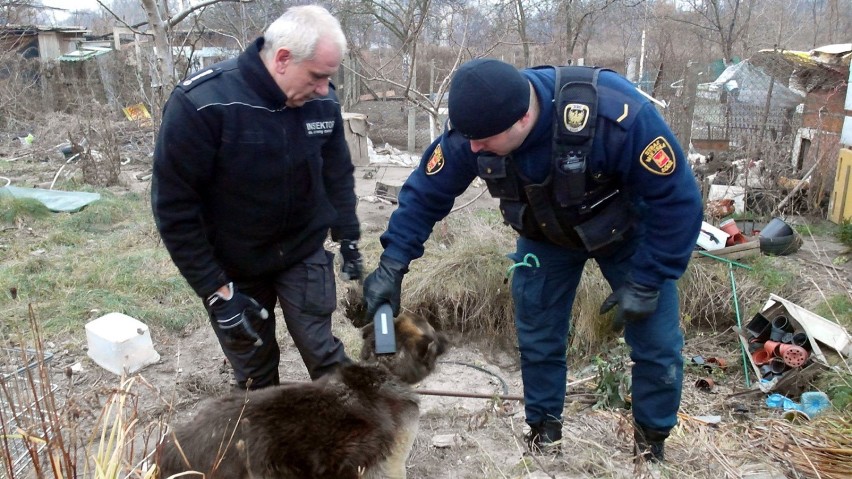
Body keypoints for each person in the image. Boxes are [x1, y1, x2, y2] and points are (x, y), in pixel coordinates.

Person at [362, 59, 702, 461]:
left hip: (628, 236)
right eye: (469, 140)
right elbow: (424, 195)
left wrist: (649, 278)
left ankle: (650, 449)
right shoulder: (479, 125)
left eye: (484, 141)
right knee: (539, 338)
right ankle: (544, 436)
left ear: (523, 118)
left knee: (656, 345)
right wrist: (392, 266)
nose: (472, 149)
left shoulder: (617, 117)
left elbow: (679, 201)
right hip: (546, 236)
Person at [152, 5, 362, 390]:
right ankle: (261, 447)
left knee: (326, 356)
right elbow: (174, 208)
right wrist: (216, 290)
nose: (323, 88)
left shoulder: (322, 102)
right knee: (255, 376)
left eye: (328, 78)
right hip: (235, 266)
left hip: (302, 249)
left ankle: (353, 441)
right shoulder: (202, 104)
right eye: (317, 76)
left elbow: (336, 174)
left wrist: (348, 236)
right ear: (282, 59)